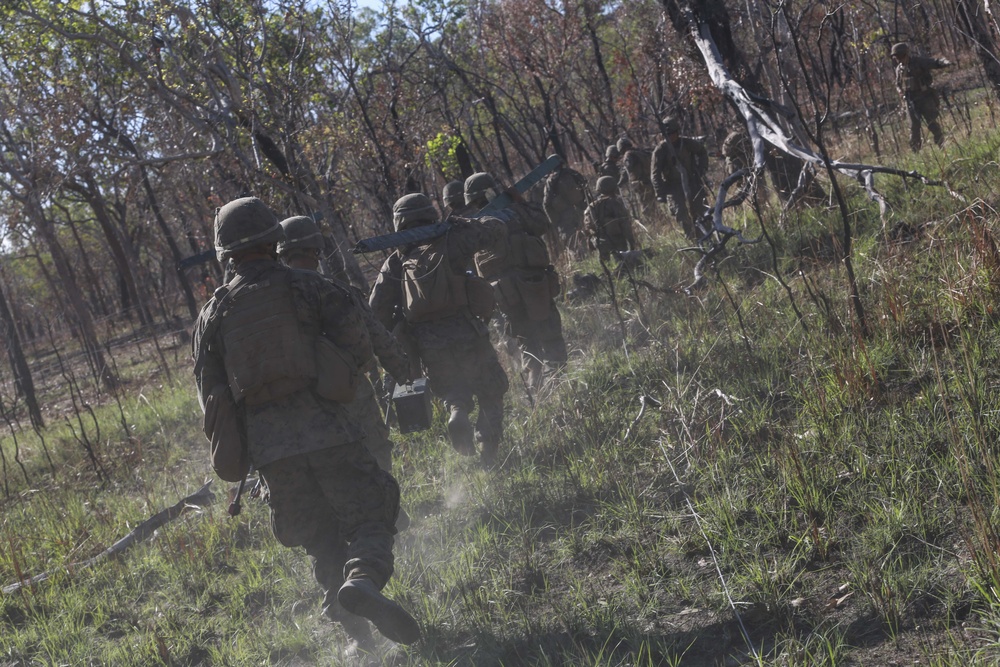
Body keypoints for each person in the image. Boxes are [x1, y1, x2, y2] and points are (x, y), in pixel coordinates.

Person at [192, 197, 421, 650]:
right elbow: (358, 346)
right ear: (273, 237)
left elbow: (210, 395)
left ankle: (359, 640)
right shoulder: (310, 287)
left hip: (271, 454)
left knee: (319, 538)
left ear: (225, 252)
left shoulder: (213, 315)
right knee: (373, 513)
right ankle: (363, 579)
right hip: (331, 429)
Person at [369, 193, 510, 465]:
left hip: (427, 342)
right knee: (491, 388)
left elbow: (376, 310)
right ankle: (489, 453)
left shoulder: (396, 261)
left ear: (399, 223)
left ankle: (457, 413)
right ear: (432, 215)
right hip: (468, 330)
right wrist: (464, 224)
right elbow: (498, 229)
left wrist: (402, 334)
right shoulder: (454, 241)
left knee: (452, 388)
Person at [276, 215, 411, 474]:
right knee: (376, 459)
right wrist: (403, 372)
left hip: (297, 409)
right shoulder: (336, 290)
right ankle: (392, 513)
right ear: (316, 251)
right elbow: (379, 338)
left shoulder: (272, 302)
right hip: (351, 394)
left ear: (283, 254)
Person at [465, 172, 568, 390]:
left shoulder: (473, 228)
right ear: (491, 191)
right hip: (533, 285)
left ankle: (537, 387)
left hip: (504, 295)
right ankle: (558, 385)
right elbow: (541, 223)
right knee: (550, 336)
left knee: (526, 341)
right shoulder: (513, 212)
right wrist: (519, 201)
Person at [651, 116, 709, 240]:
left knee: (702, 210)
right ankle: (693, 240)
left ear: (677, 132)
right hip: (673, 186)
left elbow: (702, 152)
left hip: (691, 181)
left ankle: (708, 237)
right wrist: (660, 193)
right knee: (681, 213)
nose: (670, 137)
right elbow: (655, 174)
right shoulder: (660, 150)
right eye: (667, 134)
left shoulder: (687, 143)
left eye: (672, 133)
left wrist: (701, 169)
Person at [891, 41, 949, 151]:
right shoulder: (899, 69)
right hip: (910, 101)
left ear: (906, 54)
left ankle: (942, 145)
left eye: (900, 56)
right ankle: (916, 151)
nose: (898, 59)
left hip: (924, 97)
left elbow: (933, 62)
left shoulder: (918, 62)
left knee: (932, 122)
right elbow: (898, 84)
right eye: (896, 57)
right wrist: (900, 91)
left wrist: (944, 62)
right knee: (914, 128)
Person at [584, 176, 637, 263]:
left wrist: (592, 242)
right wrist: (631, 241)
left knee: (606, 265)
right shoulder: (616, 203)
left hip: (600, 241)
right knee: (623, 263)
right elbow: (625, 224)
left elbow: (588, 227)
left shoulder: (591, 207)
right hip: (617, 240)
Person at [542, 163, 589, 257]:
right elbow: (585, 187)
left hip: (564, 216)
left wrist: (555, 221)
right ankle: (591, 256)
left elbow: (547, 203)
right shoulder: (572, 173)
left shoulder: (551, 180)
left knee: (571, 241)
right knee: (586, 235)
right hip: (581, 210)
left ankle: (581, 261)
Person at [617, 137, 657, 223]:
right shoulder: (640, 152)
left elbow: (627, 169)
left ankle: (654, 225)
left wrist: (619, 183)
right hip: (650, 181)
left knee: (646, 208)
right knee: (653, 205)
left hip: (641, 184)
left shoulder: (628, 155)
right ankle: (661, 222)